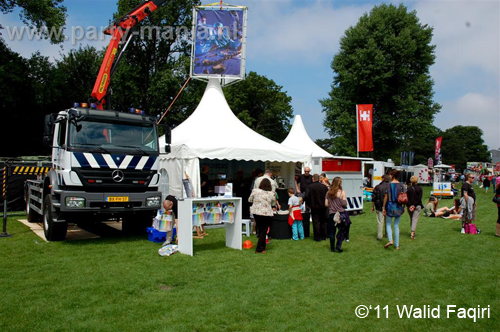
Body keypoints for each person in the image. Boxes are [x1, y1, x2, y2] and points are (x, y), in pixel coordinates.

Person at [249, 178, 277, 254]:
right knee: (263, 230)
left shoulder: (255, 191)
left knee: (261, 229)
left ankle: (263, 247)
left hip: (256, 212)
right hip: (266, 213)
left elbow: (250, 200)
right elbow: (273, 203)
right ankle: (259, 249)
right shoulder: (271, 193)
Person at [382, 169, 405, 250]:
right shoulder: (402, 185)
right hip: (399, 206)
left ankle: (390, 240)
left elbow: (386, 197)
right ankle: (397, 245)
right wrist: (404, 207)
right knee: (396, 226)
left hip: (390, 205)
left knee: (388, 224)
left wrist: (384, 207)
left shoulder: (388, 185)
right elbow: (404, 197)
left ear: (392, 175)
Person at [325, 176, 348, 253]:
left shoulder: (328, 193)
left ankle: (332, 248)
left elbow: (326, 204)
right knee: (341, 230)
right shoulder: (342, 192)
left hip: (332, 213)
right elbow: (344, 204)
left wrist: (332, 205)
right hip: (340, 214)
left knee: (332, 231)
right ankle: (338, 245)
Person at [304, 173, 329, 241]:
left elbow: (306, 196)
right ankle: (323, 236)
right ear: (319, 179)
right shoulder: (324, 187)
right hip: (323, 206)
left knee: (316, 222)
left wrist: (307, 204)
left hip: (314, 206)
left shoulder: (310, 187)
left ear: (313, 179)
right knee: (323, 222)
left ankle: (317, 237)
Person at [372, 174, 390, 242]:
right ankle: (387, 234)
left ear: (383, 179)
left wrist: (372, 206)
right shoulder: (390, 187)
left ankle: (380, 236)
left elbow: (374, 197)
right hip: (388, 206)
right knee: (387, 221)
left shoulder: (377, 187)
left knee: (380, 221)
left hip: (379, 206)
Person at [407, 175, 423, 240]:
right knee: (415, 219)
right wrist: (414, 205)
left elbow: (407, 198)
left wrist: (410, 205)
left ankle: (412, 231)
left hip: (409, 206)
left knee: (411, 218)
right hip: (417, 205)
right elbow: (419, 198)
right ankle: (412, 232)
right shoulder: (420, 188)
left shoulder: (408, 189)